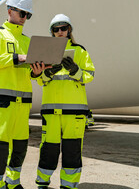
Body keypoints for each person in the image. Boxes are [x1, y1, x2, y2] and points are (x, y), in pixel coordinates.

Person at [0, 0, 48, 189]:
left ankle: (12, 183)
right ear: (10, 11)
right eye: (23, 13)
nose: (25, 18)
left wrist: (36, 72)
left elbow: (28, 74)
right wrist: (18, 58)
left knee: (20, 146)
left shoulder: (28, 42)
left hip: (23, 104)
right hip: (1, 102)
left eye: (28, 15)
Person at [32, 14, 95, 189]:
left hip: (74, 113)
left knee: (72, 151)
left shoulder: (80, 51)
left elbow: (89, 75)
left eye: (63, 28)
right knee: (48, 150)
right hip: (51, 112)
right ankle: (42, 183)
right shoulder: (45, 53)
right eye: (56, 29)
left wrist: (75, 71)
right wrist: (48, 73)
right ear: (52, 32)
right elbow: (40, 80)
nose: (60, 32)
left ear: (69, 30)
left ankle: (68, 185)